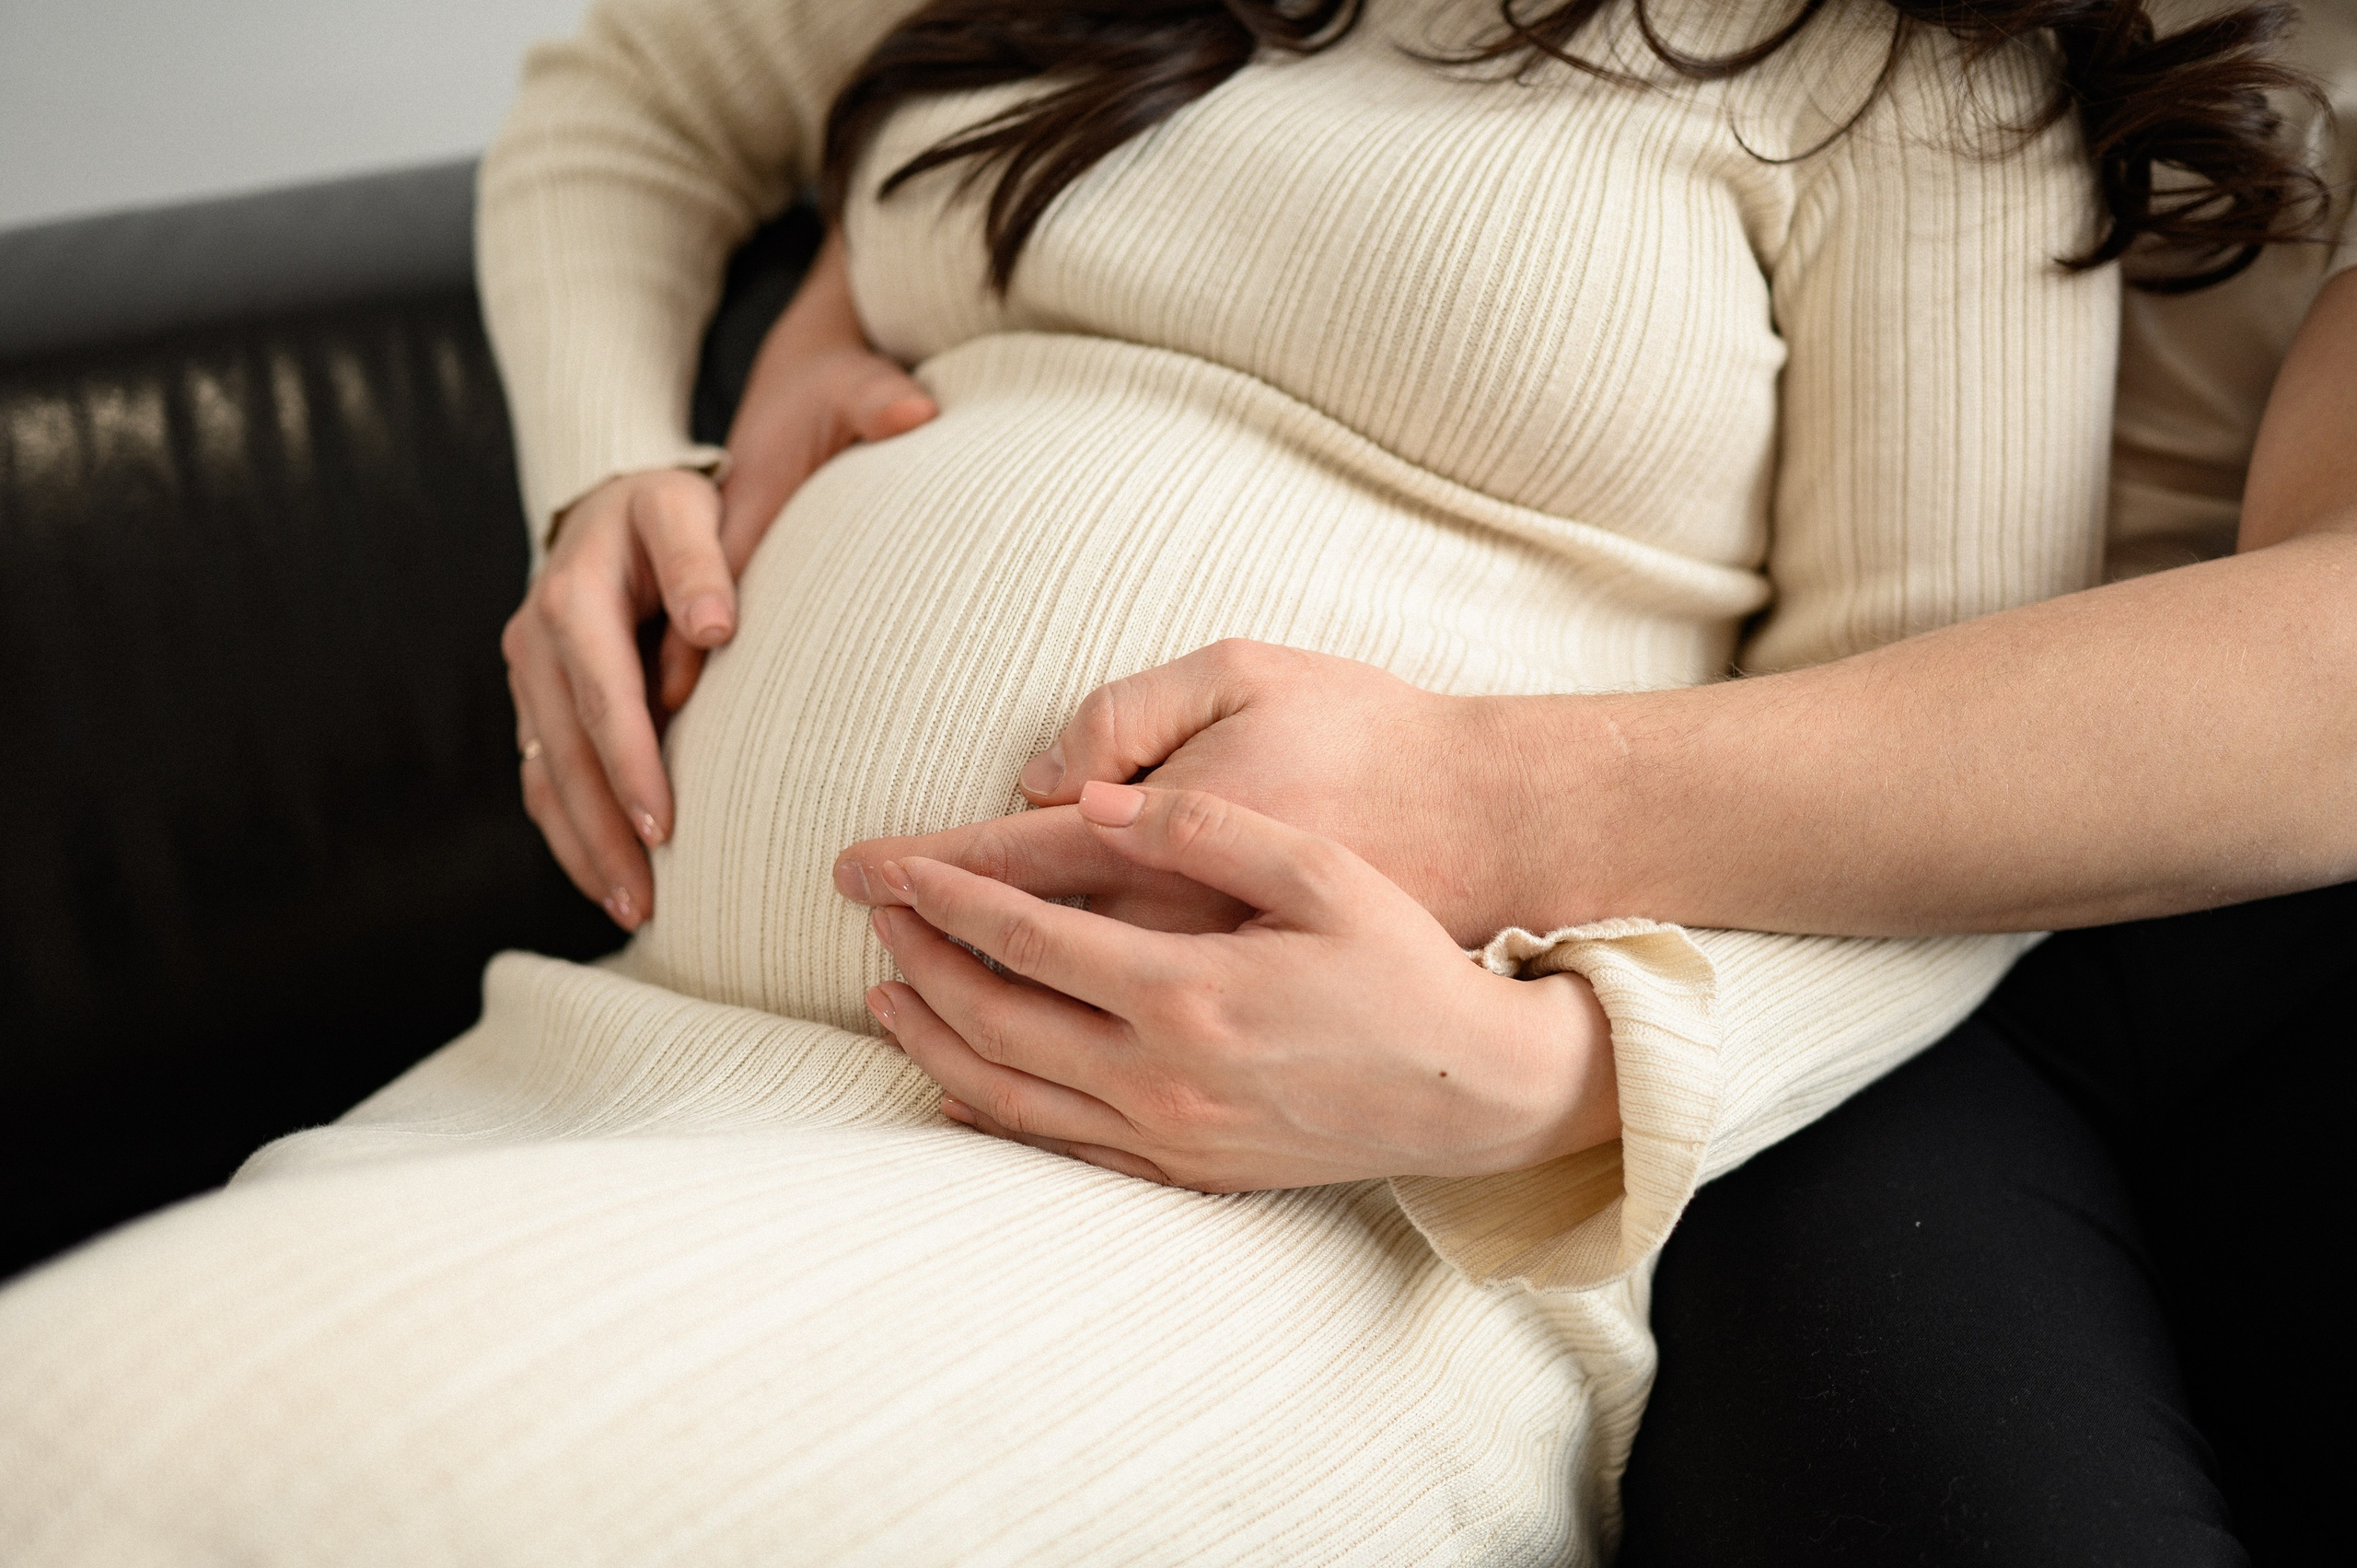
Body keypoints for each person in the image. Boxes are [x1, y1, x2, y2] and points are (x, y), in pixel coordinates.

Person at [0, 2, 2319, 1563]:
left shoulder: (1904, 93)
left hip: (1266, 1212)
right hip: (613, 1058)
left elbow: (1919, 815)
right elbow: (629, 90)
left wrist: (1545, 1074)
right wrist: (604, 465)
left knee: (93, 1450)